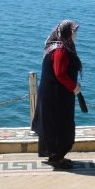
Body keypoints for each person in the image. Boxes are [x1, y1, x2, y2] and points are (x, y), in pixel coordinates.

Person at [32, 20, 82, 170]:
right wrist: (74, 86)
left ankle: (55, 155)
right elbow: (60, 73)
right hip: (56, 95)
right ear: (68, 33)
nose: (76, 35)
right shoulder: (60, 50)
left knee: (52, 124)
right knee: (60, 125)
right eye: (74, 32)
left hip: (53, 93)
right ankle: (56, 157)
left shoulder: (56, 46)